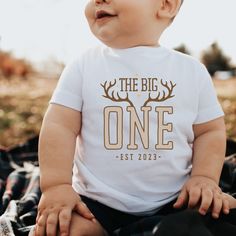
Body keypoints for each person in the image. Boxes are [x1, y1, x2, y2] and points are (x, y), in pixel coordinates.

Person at [34, 0, 234, 235]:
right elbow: (59, 126)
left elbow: (210, 131)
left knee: (218, 214)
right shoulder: (82, 66)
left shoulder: (192, 71)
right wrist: (56, 186)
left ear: (166, 5)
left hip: (176, 199)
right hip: (97, 203)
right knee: (59, 230)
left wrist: (204, 177)